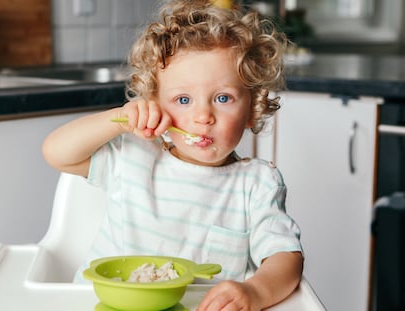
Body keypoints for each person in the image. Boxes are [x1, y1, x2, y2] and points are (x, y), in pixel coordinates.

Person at [42, 0, 303, 309]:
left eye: (223, 98)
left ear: (252, 107)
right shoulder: (133, 156)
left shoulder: (257, 184)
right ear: (155, 104)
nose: (203, 115)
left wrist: (257, 292)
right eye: (182, 99)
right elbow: (57, 153)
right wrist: (119, 120)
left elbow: (286, 257)